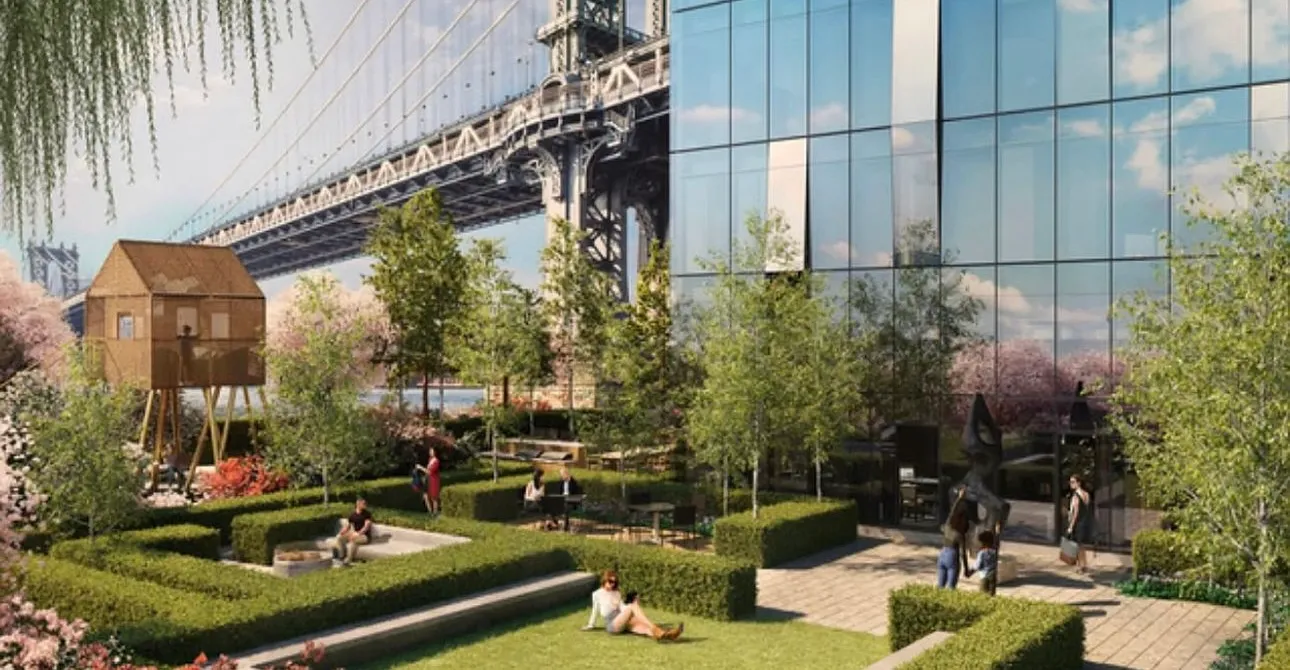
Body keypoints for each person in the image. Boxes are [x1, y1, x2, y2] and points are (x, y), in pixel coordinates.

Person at [582, 571, 683, 641]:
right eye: (610, 581)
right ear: (604, 580)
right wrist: (590, 625)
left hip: (622, 621)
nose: (612, 584)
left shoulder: (616, 593)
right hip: (612, 625)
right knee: (632, 606)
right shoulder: (597, 594)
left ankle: (667, 635)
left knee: (644, 628)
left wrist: (635, 606)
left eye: (614, 582)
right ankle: (655, 627)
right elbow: (594, 611)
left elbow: (622, 608)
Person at [937, 488, 973, 589]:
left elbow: (952, 513)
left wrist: (959, 499)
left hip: (942, 554)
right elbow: (963, 554)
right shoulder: (960, 535)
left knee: (940, 586)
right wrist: (966, 569)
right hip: (952, 556)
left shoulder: (948, 526)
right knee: (951, 587)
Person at [1066, 474, 1094, 575]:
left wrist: (1071, 527)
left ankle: (1080, 566)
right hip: (1085, 522)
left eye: (1073, 482)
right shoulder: (1086, 494)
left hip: (1078, 523)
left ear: (1079, 483)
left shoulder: (1076, 496)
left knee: (1077, 546)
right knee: (1081, 545)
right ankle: (1084, 565)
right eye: (1070, 482)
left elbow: (1076, 512)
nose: (1071, 484)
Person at [331, 498, 373, 566]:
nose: (365, 505)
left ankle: (348, 560)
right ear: (358, 504)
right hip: (356, 534)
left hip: (365, 536)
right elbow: (347, 527)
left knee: (353, 540)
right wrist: (341, 532)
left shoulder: (367, 514)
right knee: (340, 538)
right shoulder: (352, 515)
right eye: (364, 504)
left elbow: (366, 527)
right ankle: (341, 556)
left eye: (365, 503)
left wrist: (357, 533)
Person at [416, 447, 442, 516]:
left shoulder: (436, 461)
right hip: (428, 479)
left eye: (432, 451)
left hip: (433, 480)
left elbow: (430, 472)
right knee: (425, 495)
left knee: (434, 497)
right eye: (430, 451)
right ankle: (430, 511)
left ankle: (435, 512)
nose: (430, 452)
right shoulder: (430, 460)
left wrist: (420, 468)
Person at [975, 530, 998, 596]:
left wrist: (971, 570)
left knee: (983, 594)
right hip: (993, 574)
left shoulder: (981, 553)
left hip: (984, 575)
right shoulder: (994, 551)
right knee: (991, 594)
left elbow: (978, 565)